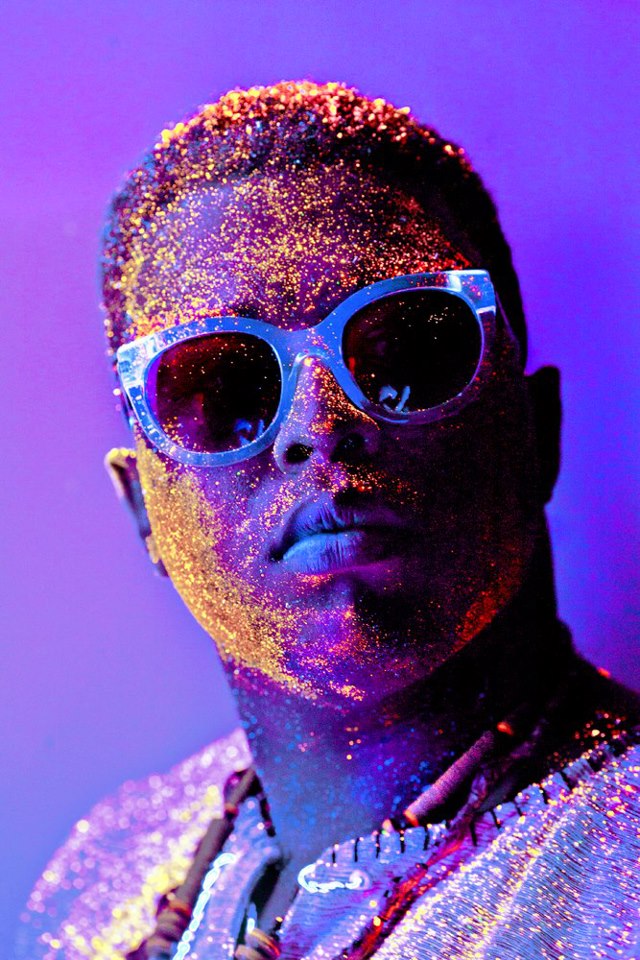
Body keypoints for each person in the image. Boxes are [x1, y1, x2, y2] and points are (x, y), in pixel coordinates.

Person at [16, 81, 640, 960]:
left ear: (537, 436)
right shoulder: (107, 871)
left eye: (408, 353)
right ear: (144, 509)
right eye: (223, 388)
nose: (319, 425)